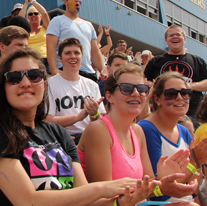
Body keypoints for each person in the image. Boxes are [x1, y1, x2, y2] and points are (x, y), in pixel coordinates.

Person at [0, 47, 155, 206]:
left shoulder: (58, 133)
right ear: (3, 87)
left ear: (44, 84)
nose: (26, 83)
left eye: (34, 76)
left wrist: (120, 202)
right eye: (14, 78)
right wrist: (102, 188)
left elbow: (86, 199)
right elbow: (28, 201)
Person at [78, 64, 199, 204]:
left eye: (142, 89)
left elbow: (147, 185)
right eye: (126, 88)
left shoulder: (137, 131)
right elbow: (105, 197)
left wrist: (162, 182)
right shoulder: (99, 130)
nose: (136, 93)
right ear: (109, 96)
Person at [138, 72, 207, 203]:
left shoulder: (183, 131)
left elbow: (193, 192)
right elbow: (158, 193)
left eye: (185, 93)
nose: (180, 98)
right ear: (157, 99)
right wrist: (194, 162)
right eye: (171, 94)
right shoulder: (146, 129)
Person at [144, 24, 207, 125]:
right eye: (171, 35)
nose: (175, 37)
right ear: (166, 40)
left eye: (178, 34)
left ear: (184, 39)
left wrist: (188, 86)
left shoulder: (198, 61)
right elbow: (145, 81)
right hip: (162, 112)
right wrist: (155, 86)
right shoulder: (155, 61)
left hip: (192, 114)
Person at [46, 38, 106, 144]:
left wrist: (94, 114)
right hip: (62, 138)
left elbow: (100, 120)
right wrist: (78, 117)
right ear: (60, 58)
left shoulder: (92, 85)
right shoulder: (50, 84)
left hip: (90, 137)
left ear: (82, 57)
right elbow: (47, 120)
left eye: (76, 53)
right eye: (68, 53)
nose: (73, 56)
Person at [46, 0, 103, 82]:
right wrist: (53, 69)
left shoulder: (88, 25)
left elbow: (95, 51)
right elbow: (50, 46)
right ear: (65, 2)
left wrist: (103, 70)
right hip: (66, 70)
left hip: (88, 74)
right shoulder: (57, 20)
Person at [19, 0, 51, 73]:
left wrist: (32, 1)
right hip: (30, 60)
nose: (33, 15)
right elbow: (19, 19)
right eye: (30, 14)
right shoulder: (26, 31)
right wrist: (26, 4)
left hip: (46, 60)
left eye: (36, 13)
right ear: (28, 17)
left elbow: (45, 13)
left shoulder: (45, 27)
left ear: (40, 17)